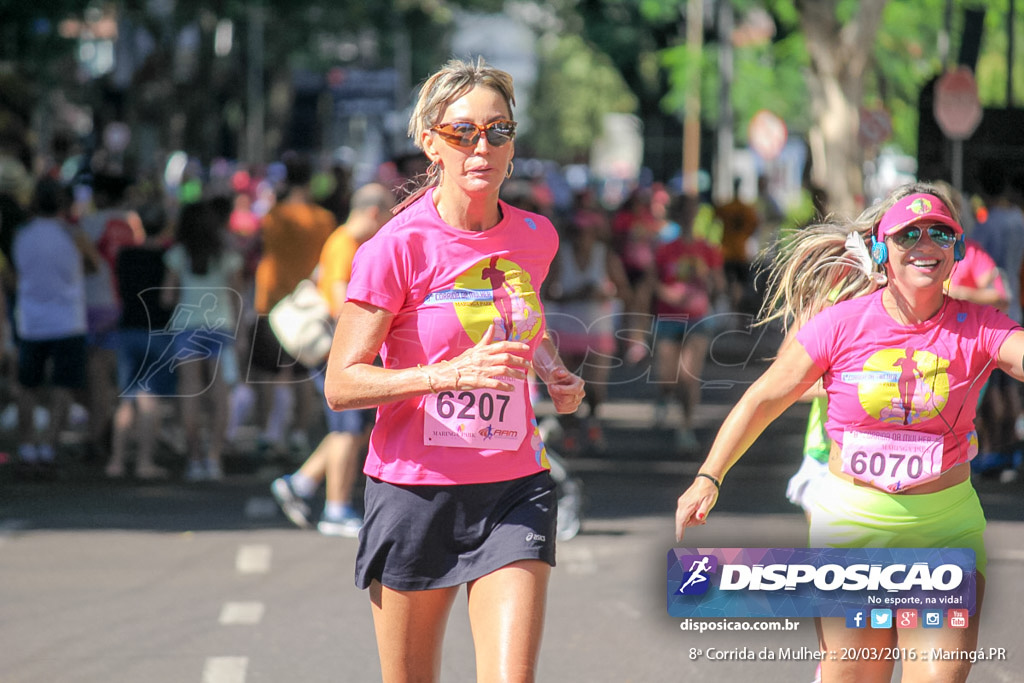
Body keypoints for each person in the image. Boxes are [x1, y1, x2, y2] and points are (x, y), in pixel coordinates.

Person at [675, 183, 1024, 682]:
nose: (925, 244)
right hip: (851, 529)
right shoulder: (840, 324)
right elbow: (763, 398)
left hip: (945, 533)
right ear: (881, 251)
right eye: (909, 235)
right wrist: (708, 477)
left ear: (958, 251)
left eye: (941, 234)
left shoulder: (979, 326)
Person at [323, 58, 585, 682]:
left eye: (498, 131)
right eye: (462, 132)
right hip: (416, 491)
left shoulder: (534, 236)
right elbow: (341, 383)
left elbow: (523, 317)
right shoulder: (395, 248)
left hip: (514, 485)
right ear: (429, 141)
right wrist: (447, 375)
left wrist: (550, 368)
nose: (482, 147)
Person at [271, 182, 395, 536]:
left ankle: (301, 484)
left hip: (337, 350)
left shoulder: (344, 241)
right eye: (386, 215)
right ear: (373, 212)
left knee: (355, 430)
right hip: (339, 352)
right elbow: (342, 304)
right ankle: (336, 509)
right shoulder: (345, 243)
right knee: (347, 431)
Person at [12, 177, 100, 476]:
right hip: (68, 320)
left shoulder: (21, 234)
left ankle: (27, 447)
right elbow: (94, 265)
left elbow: (14, 273)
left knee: (27, 387)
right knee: (63, 387)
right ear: (63, 204)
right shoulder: (73, 234)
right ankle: (49, 446)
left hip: (31, 321)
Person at [251, 152, 337, 455]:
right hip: (307, 306)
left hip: (272, 304)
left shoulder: (275, 216)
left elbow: (260, 246)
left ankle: (269, 434)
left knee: (268, 375)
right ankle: (299, 433)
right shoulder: (324, 219)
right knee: (303, 374)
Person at [160, 199, 244, 481]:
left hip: (187, 327)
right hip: (221, 327)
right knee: (221, 396)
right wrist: (241, 333)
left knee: (190, 392)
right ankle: (214, 458)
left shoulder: (178, 254)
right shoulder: (228, 256)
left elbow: (167, 296)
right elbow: (237, 298)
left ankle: (194, 458)